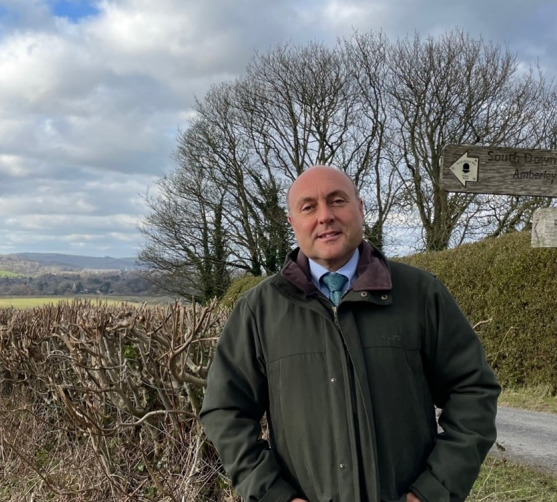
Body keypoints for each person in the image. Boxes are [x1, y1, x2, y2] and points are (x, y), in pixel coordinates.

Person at [199, 166, 500, 502]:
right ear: (292, 222)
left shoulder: (420, 294)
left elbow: (473, 391)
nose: (325, 216)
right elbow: (225, 411)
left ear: (360, 208)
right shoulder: (259, 310)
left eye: (337, 201)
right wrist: (273, 494)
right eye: (309, 207)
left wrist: (434, 490)